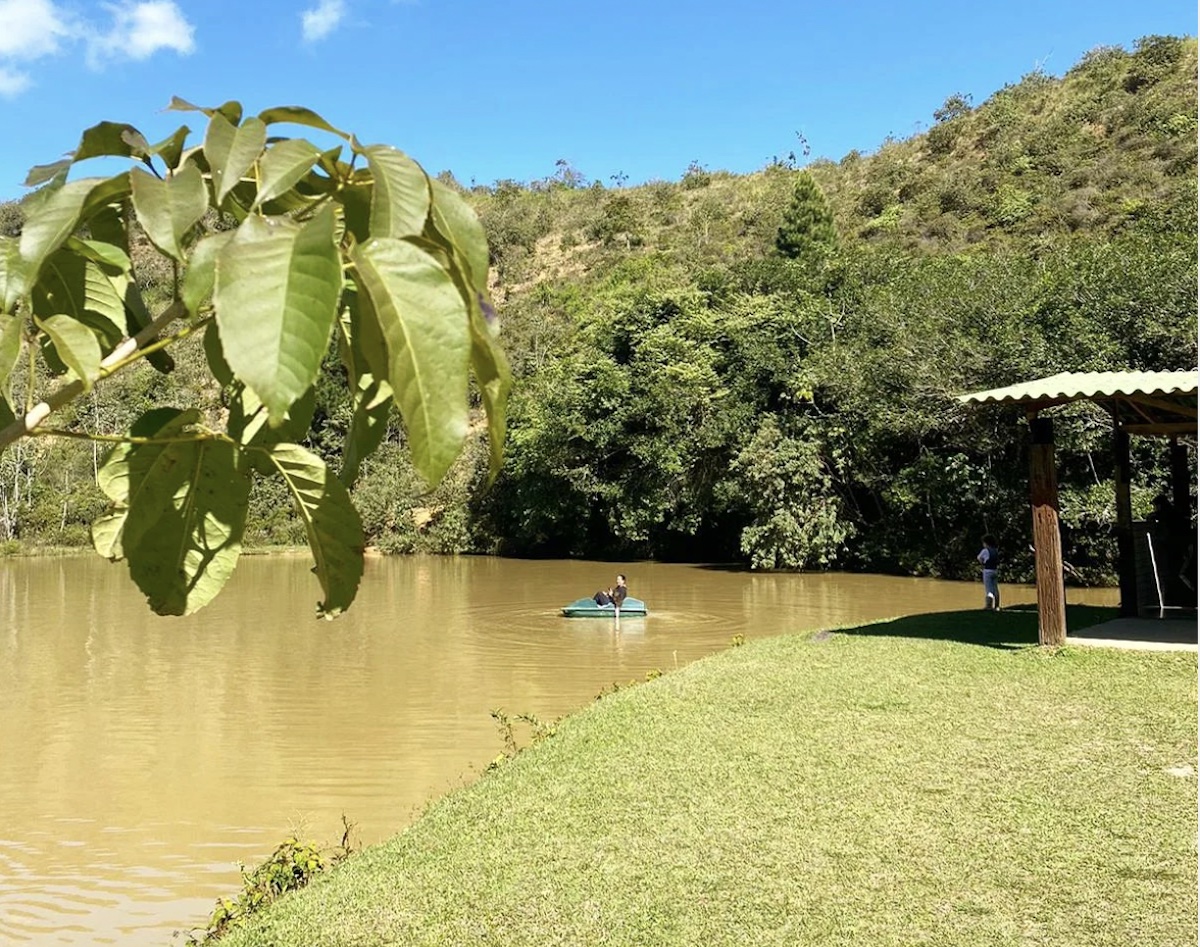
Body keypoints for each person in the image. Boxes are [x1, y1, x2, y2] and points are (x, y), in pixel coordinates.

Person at [976, 535, 1001, 610]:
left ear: (986, 543)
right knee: (995, 589)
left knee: (989, 589)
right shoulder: (995, 550)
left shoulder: (985, 550)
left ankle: (988, 606)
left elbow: (979, 558)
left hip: (987, 571)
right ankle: (997, 606)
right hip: (995, 571)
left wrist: (982, 562)